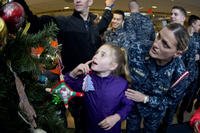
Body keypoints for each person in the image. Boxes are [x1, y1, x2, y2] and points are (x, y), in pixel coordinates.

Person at [14, 0, 116, 132]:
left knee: (97, 122)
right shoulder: (64, 23)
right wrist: (20, 3)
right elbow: (35, 24)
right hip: (74, 85)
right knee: (82, 123)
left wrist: (108, 7)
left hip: (96, 86)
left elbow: (103, 24)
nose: (77, 0)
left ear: (90, 2)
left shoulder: (93, 25)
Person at [125, 23, 189, 133]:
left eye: (165, 44)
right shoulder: (137, 49)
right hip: (133, 105)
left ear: (177, 53)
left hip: (155, 111)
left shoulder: (180, 74)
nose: (156, 44)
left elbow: (171, 101)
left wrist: (146, 99)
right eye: (158, 36)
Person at [64, 44, 133, 133]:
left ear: (112, 66)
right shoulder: (87, 78)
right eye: (96, 53)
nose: (95, 56)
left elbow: (128, 105)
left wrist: (116, 117)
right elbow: (67, 87)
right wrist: (73, 74)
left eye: (102, 55)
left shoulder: (122, 84)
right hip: (89, 129)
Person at [177, 15, 200, 123]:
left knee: (189, 95)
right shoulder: (182, 35)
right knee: (178, 94)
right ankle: (174, 110)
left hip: (194, 72)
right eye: (199, 24)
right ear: (193, 24)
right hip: (181, 72)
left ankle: (181, 112)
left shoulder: (198, 37)